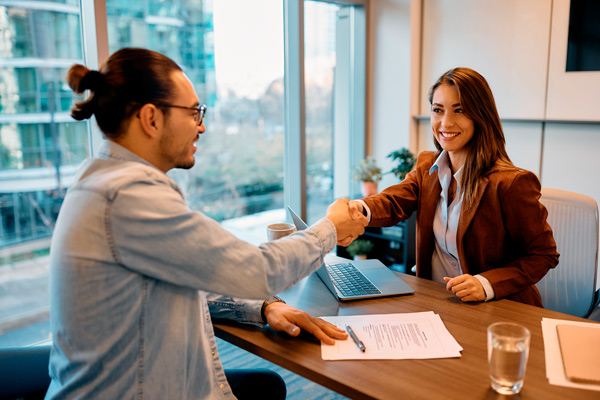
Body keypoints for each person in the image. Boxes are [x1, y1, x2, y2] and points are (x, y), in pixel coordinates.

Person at [45, 47, 368, 400]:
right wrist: (331, 229)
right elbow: (259, 270)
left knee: (267, 386)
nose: (202, 125)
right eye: (194, 112)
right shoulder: (129, 196)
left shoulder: (102, 181)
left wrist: (264, 306)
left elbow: (191, 273)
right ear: (151, 118)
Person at [348, 67, 559, 307]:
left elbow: (543, 254)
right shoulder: (428, 167)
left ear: (480, 115)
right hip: (439, 303)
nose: (445, 122)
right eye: (438, 110)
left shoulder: (511, 183)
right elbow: (393, 201)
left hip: (499, 309)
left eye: (460, 110)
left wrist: (485, 283)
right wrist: (355, 209)